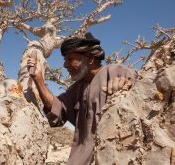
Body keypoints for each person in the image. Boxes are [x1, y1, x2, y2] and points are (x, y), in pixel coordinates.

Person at [27, 33, 136, 165]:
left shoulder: (118, 72)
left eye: (70, 59)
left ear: (90, 59)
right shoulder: (76, 89)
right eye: (64, 60)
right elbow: (57, 111)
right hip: (80, 159)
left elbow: (145, 94)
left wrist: (127, 87)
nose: (65, 65)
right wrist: (38, 79)